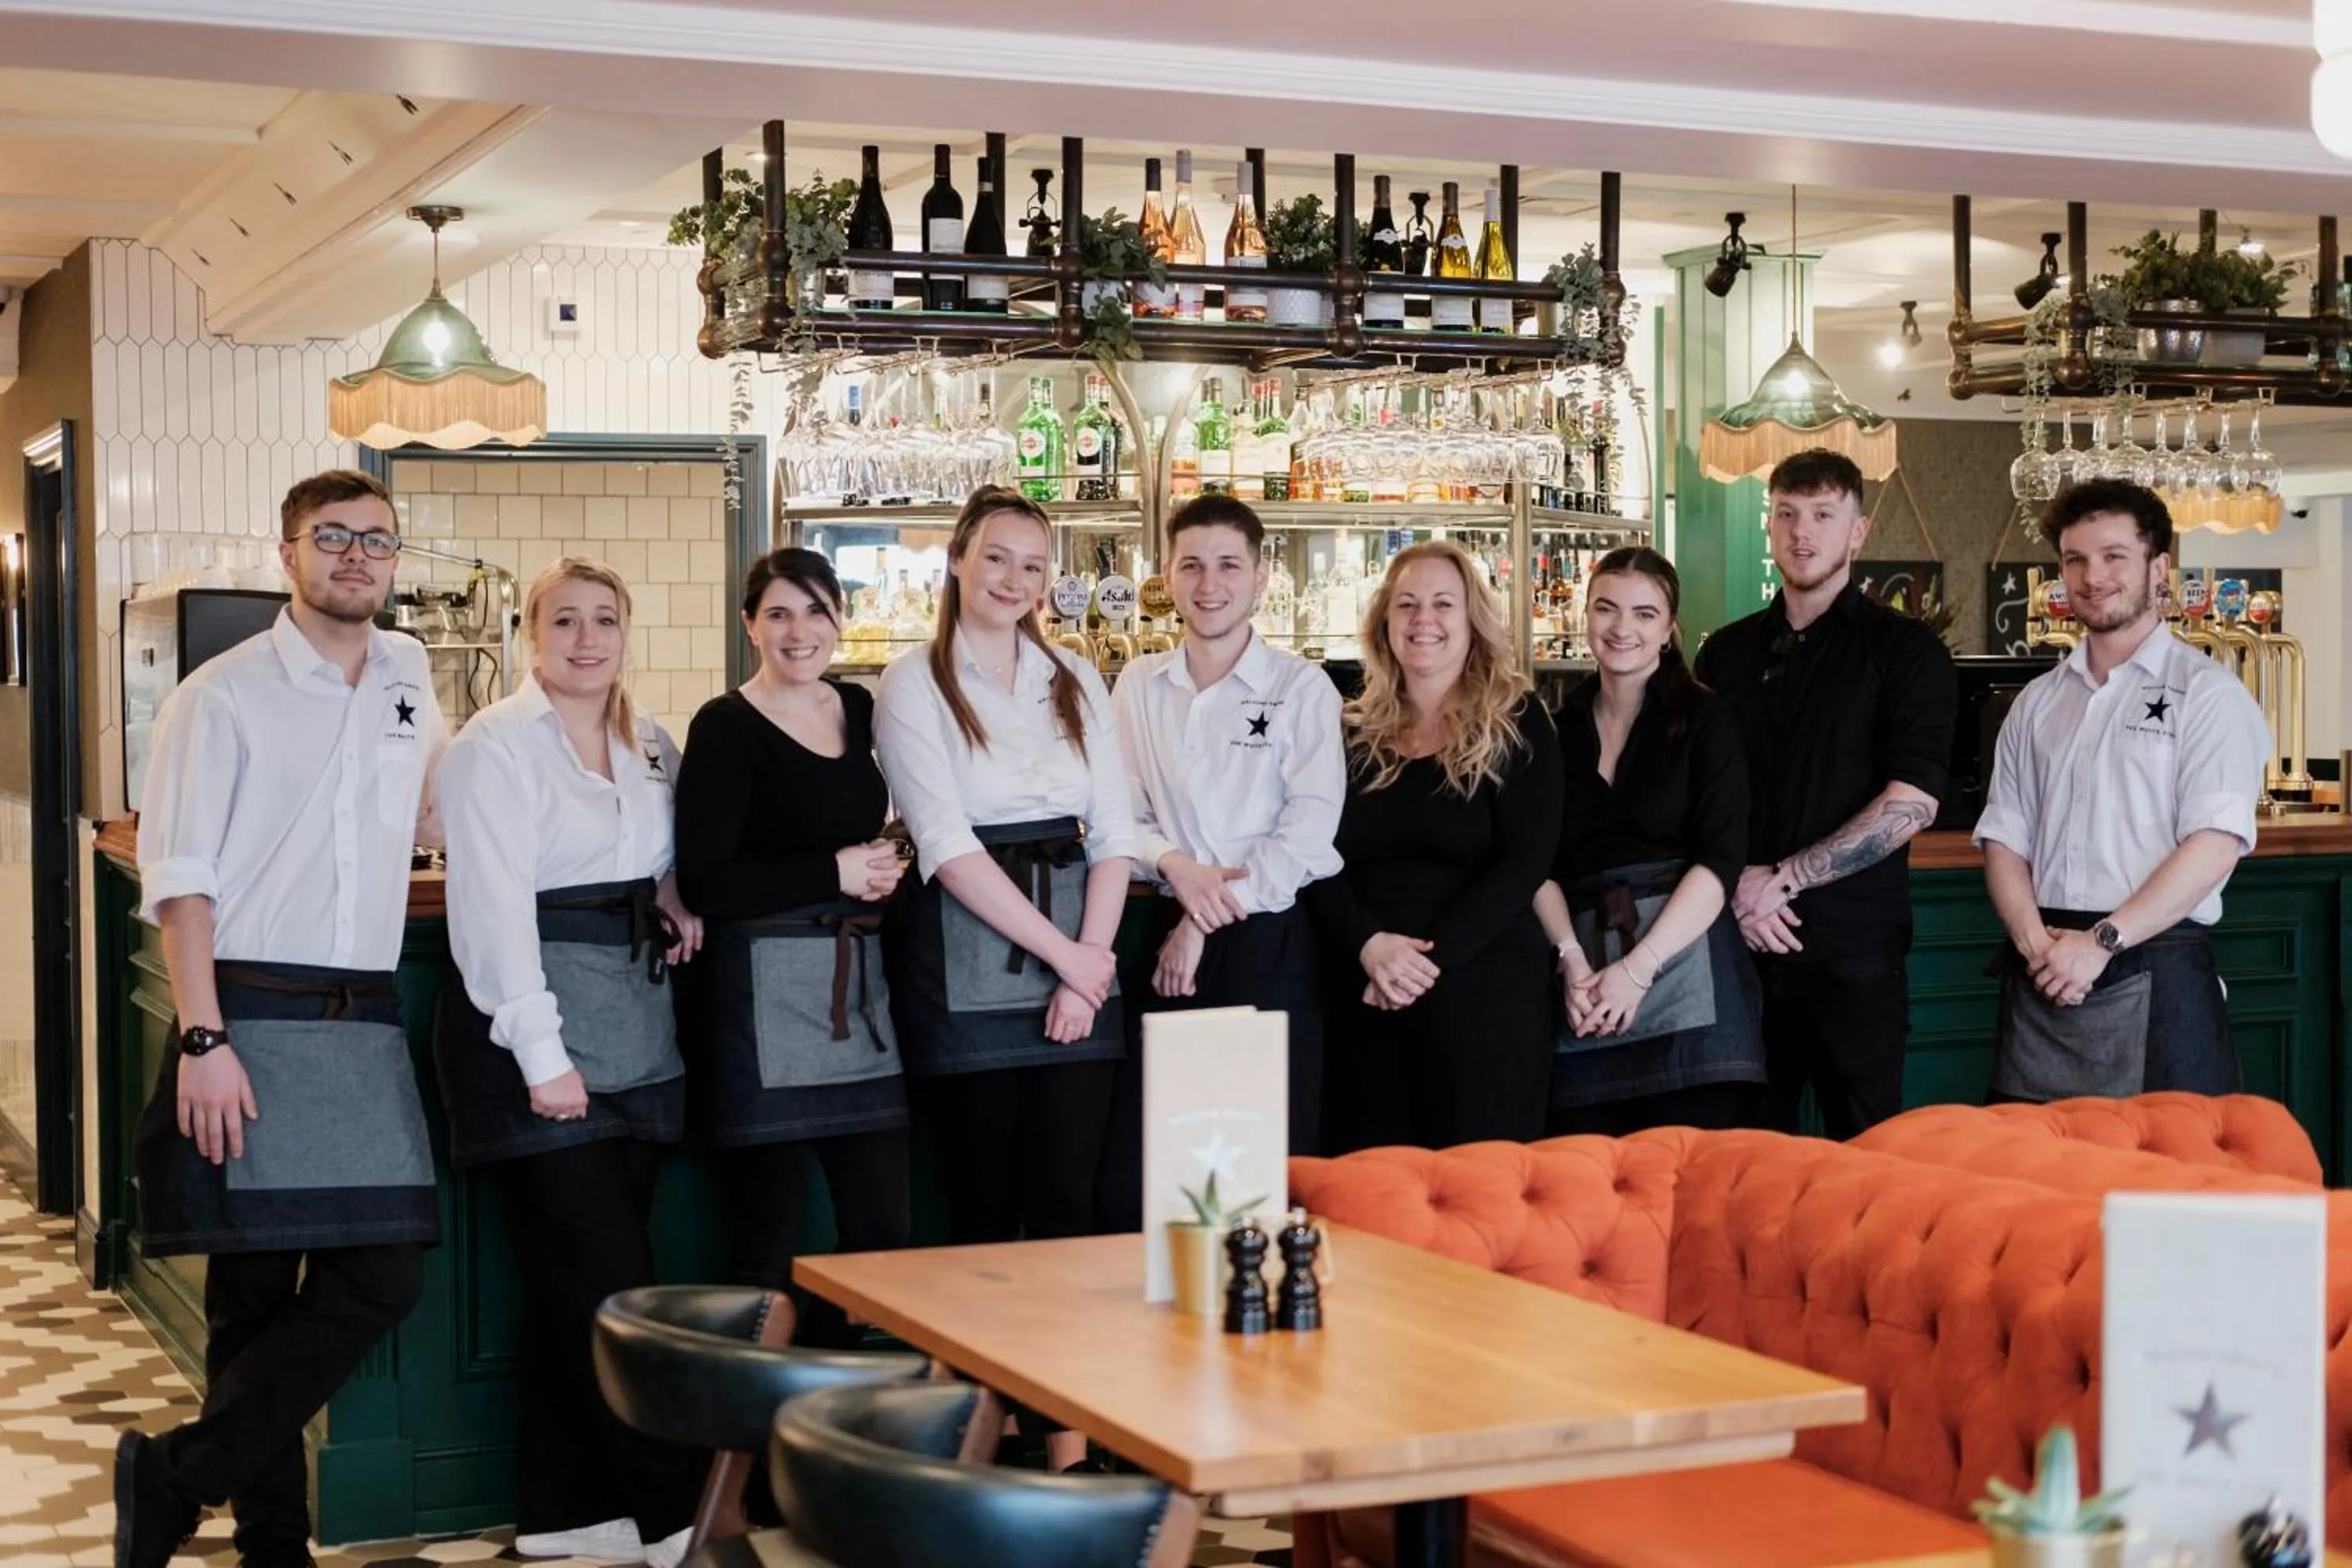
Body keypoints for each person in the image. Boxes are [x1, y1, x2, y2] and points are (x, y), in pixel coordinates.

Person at [117, 470, 446, 1568]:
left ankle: (175, 1479)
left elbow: (438, 801)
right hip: (252, 1010)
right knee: (252, 1292)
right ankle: (271, 1543)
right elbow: (183, 882)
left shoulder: (409, 669)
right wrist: (204, 1039)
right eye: (335, 537)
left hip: (364, 1018)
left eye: (379, 542)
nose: (358, 558)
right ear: (287, 551)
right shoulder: (219, 695)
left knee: (384, 1275)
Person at [433, 557, 704, 1566]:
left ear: (626, 633)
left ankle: (565, 1517)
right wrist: (542, 1056)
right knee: (615, 1294)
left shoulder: (652, 743)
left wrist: (675, 889)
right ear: (529, 632)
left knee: (570, 1291)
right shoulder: (491, 747)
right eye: (564, 620)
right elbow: (492, 916)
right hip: (529, 1046)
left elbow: (657, 856)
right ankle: (681, 1520)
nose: (586, 639)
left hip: (635, 1036)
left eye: (605, 620)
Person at [873, 485, 1135, 1245]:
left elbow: (1113, 831)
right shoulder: (912, 681)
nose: (1013, 579)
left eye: (1032, 565)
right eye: (995, 557)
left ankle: (1063, 1366)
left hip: (1082, 951)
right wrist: (1074, 963)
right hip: (965, 957)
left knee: (1066, 1202)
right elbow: (948, 845)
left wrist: (1088, 974)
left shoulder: (1075, 675)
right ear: (956, 560)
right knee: (978, 1208)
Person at [673, 548, 913, 1346]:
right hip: (758, 1003)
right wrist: (834, 870)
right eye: (778, 613)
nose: (798, 630)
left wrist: (886, 863)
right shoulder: (725, 726)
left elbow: (897, 813)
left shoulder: (859, 706)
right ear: (750, 625)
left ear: (840, 620)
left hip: (853, 998)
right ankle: (748, 1453)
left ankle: (817, 1406)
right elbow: (708, 882)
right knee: (766, 1244)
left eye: (815, 610)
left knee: (882, 1234)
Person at [1693, 448, 1957, 1139]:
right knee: (1741, 1156)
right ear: (1769, 526)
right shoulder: (1724, 654)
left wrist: (1780, 881)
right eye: (1785, 514)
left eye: (1821, 514)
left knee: (1866, 1155)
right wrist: (1735, 895)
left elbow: (1915, 799)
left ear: (1857, 532)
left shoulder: (1906, 651)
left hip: (1853, 956)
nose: (1801, 531)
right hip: (1735, 947)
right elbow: (1698, 797)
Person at [1974, 479, 2267, 1102]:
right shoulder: (2036, 702)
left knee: (2167, 1188)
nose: (2092, 576)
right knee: (2030, 1182)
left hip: (2157, 960)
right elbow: (2003, 837)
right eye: (2075, 559)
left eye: (2114, 557)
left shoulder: (2209, 695)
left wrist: (2102, 943)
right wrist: (2038, 946)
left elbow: (2214, 844)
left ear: (2159, 568)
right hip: (2045, 966)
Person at [1098, 495, 1345, 1229]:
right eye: (1193, 565)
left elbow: (1308, 834)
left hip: (1268, 944)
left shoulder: (1301, 688)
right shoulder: (1138, 686)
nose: (1211, 583)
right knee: (1159, 1169)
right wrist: (1176, 864)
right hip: (1162, 936)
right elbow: (1119, 818)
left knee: (1258, 1171)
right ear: (1166, 577)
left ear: (1261, 577)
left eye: (1229, 565)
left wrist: (1202, 919)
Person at [1305, 539, 1562, 1152]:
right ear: (1383, 622)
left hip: (1484, 992)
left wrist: (1425, 965)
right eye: (1407, 605)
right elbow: (1311, 854)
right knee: (1372, 1197)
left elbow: (1524, 863)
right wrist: (1369, 947)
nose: (1424, 621)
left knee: (1481, 1200)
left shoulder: (1519, 719)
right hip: (1367, 989)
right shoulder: (1348, 730)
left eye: (1443, 604)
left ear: (1472, 621)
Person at [1534, 547, 1764, 1135]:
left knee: (1694, 1183)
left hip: (1689, 968)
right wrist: (1572, 962)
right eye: (1606, 609)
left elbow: (1720, 863)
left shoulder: (1707, 720)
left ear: (1668, 629)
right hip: (1584, 977)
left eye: (1643, 614)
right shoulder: (1555, 730)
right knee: (1585, 1182)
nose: (1621, 628)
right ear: (1584, 617)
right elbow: (1539, 865)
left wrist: (1639, 970)